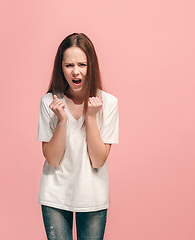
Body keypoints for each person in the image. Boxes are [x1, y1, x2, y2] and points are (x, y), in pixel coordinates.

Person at [37, 32, 119, 240]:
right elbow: (53, 159)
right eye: (69, 65)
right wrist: (62, 120)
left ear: (91, 66)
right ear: (61, 68)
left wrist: (91, 118)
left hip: (92, 196)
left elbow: (99, 159)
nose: (76, 72)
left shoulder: (108, 103)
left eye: (82, 64)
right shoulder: (49, 102)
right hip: (55, 195)